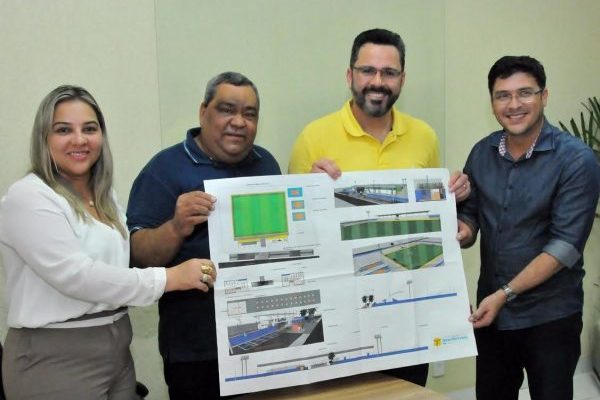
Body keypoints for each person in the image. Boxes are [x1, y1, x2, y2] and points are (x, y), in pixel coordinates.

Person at [0, 85, 217, 400]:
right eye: (63, 130)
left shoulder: (104, 198)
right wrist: (169, 278)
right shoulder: (28, 197)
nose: (79, 140)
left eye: (90, 129)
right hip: (55, 358)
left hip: (117, 349)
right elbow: (77, 276)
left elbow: (120, 264)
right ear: (43, 138)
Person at [288, 28, 470, 387]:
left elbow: (433, 217)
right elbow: (295, 235)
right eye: (367, 70)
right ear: (349, 75)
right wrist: (308, 191)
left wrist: (453, 199)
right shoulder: (313, 137)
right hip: (340, 318)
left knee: (407, 392)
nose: (378, 82)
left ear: (402, 79)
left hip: (408, 314)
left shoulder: (425, 136)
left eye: (389, 72)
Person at [126, 72, 281, 399]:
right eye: (227, 109)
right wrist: (175, 227)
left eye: (249, 113)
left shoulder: (267, 164)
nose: (238, 121)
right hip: (195, 352)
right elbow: (137, 255)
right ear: (203, 112)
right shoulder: (164, 169)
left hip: (265, 337)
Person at [457, 56, 600, 400]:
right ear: (492, 102)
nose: (514, 104)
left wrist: (504, 294)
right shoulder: (482, 152)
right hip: (492, 314)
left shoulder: (576, 160)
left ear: (544, 96)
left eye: (525, 93)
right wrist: (462, 231)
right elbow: (471, 216)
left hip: (551, 317)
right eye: (502, 95)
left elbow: (564, 247)